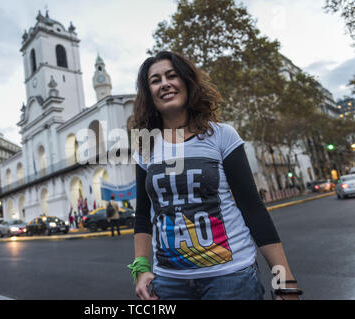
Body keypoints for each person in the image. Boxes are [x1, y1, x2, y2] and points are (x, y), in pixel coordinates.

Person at [128, 51, 302, 300]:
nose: (164, 83)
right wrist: (140, 269)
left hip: (231, 279)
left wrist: (284, 280)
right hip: (168, 283)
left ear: (186, 82)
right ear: (149, 94)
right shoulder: (146, 148)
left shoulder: (222, 136)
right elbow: (143, 216)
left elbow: (253, 209)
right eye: (155, 80)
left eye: (172, 75)